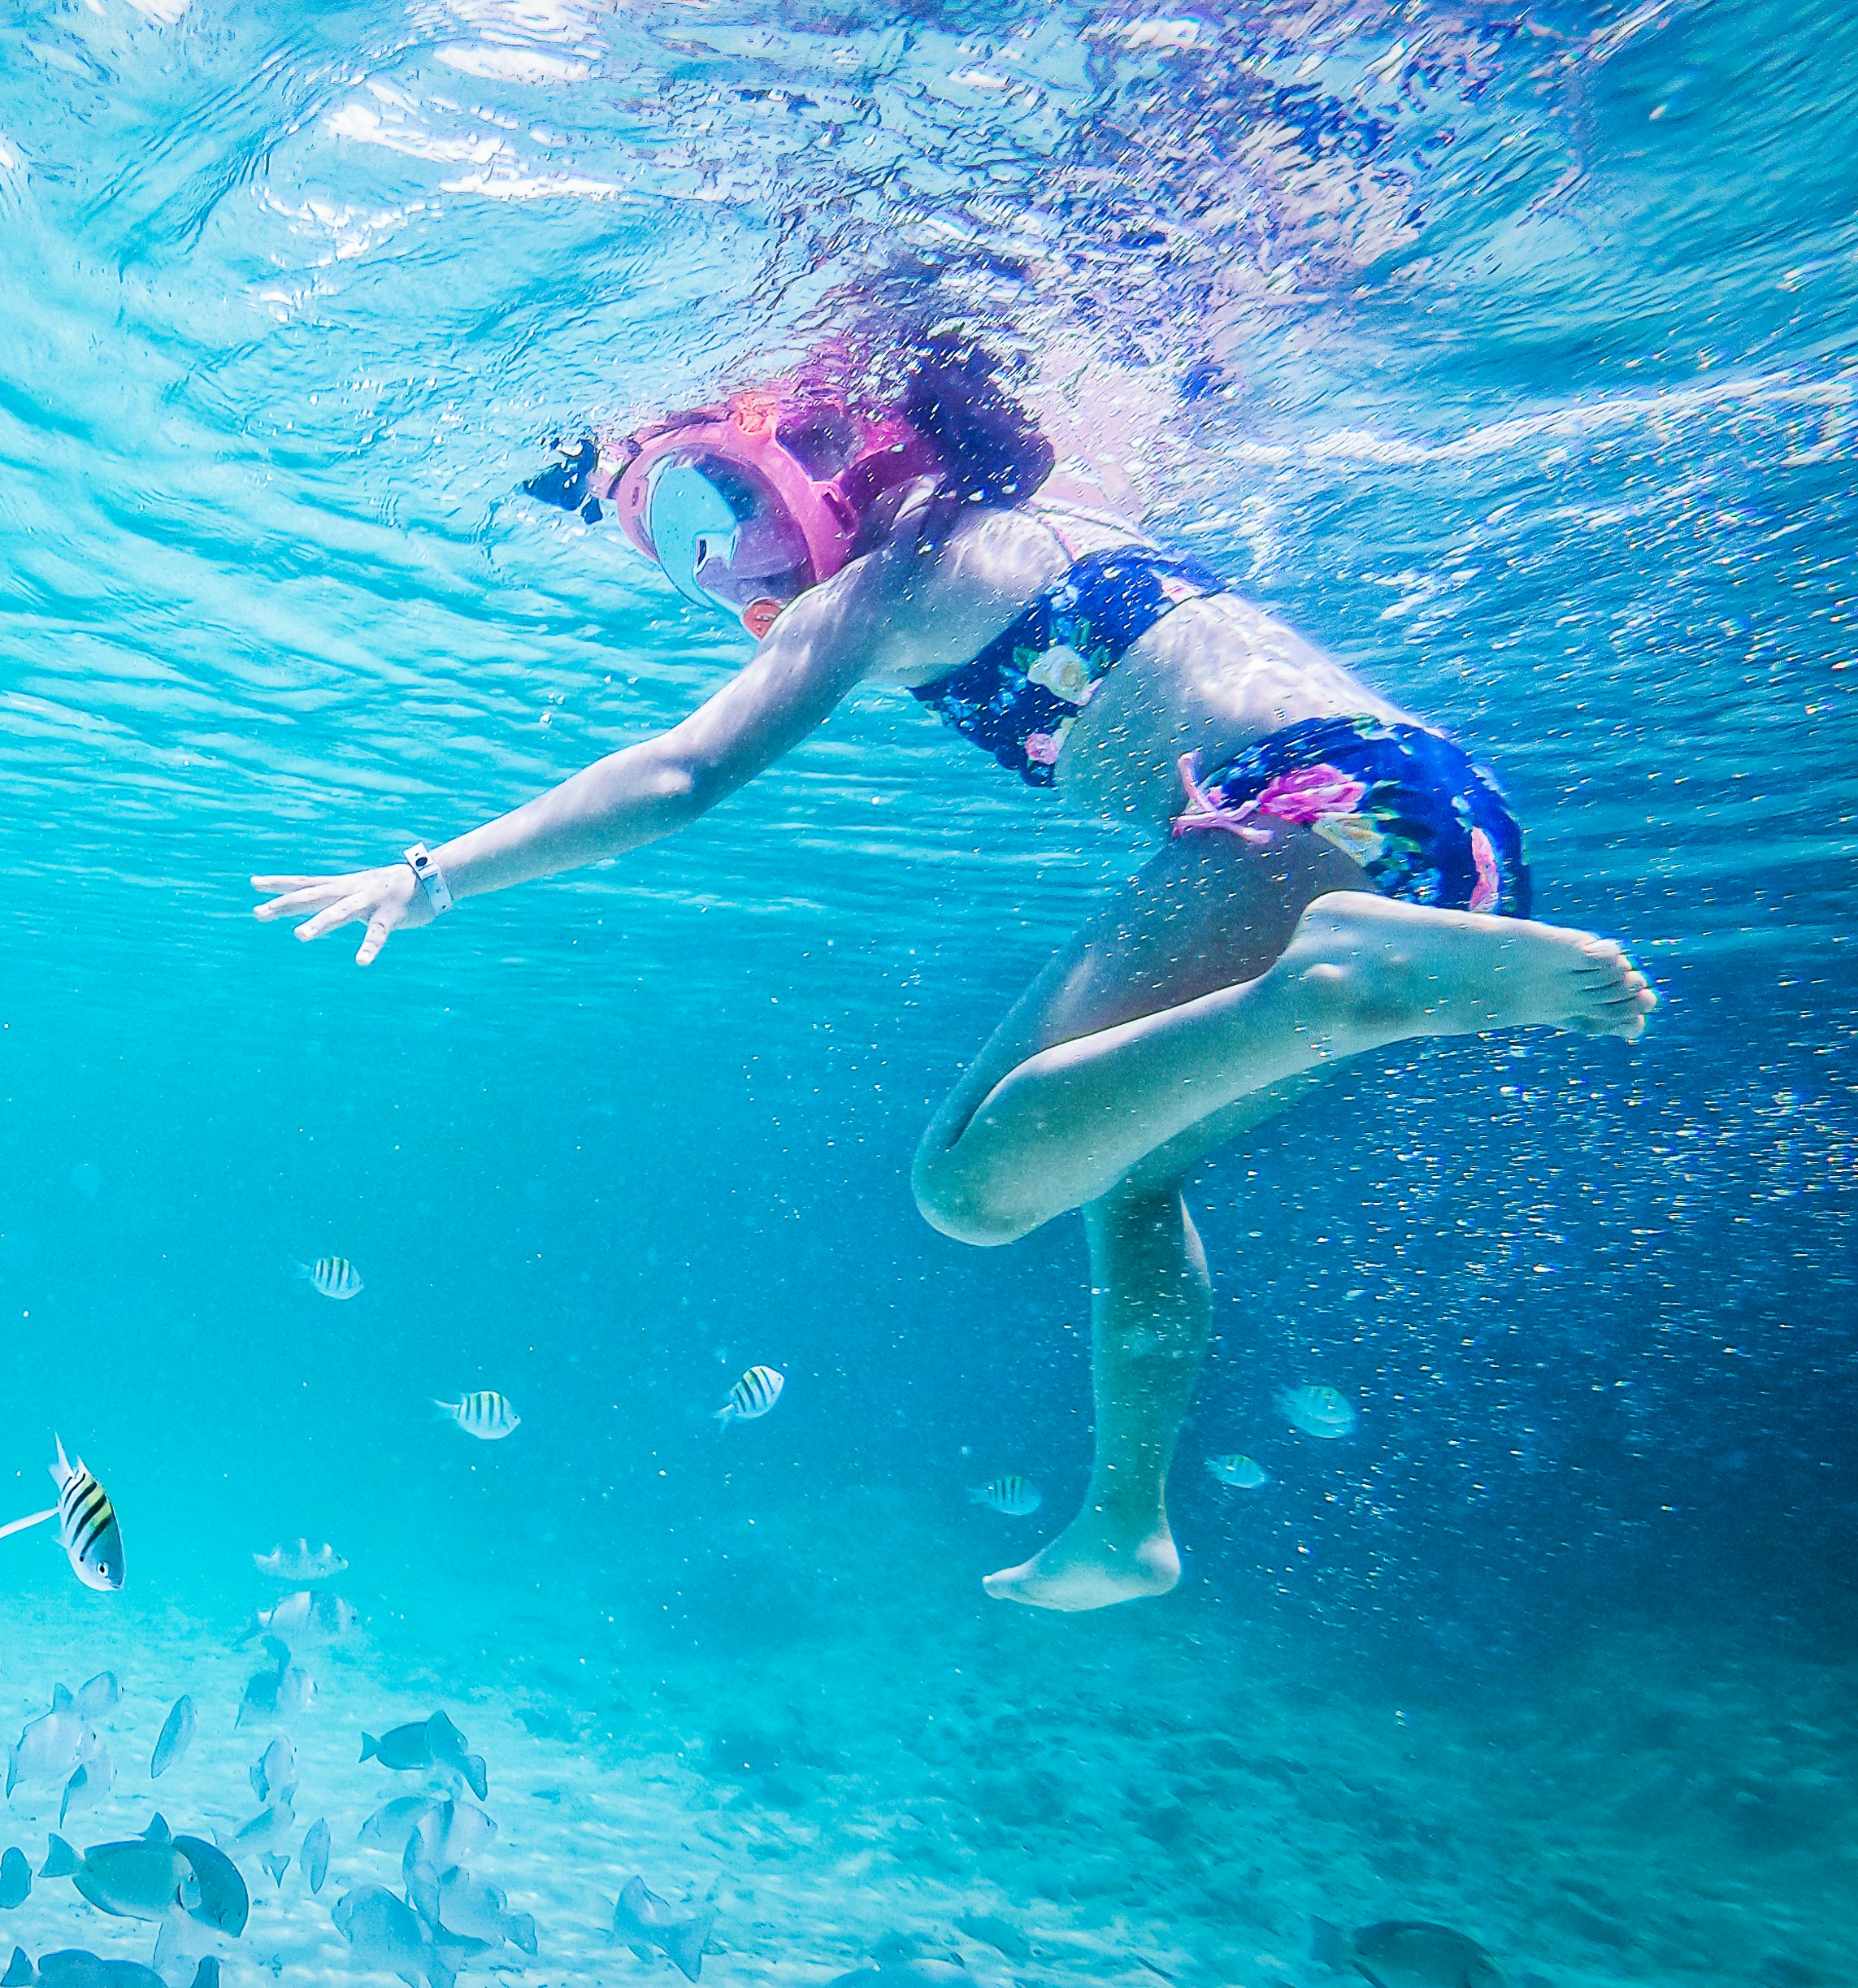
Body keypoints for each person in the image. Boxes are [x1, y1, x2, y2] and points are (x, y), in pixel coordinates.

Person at [248, 340, 1656, 1611]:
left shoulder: (881, 586)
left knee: (968, 1187)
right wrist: (604, 477)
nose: (716, 572)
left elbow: (681, 775)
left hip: (1307, 820)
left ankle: (1323, 989)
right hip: (1444, 826)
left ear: (811, 466)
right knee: (1127, 1157)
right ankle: (1126, 1520)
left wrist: (434, 876)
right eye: (677, 552)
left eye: (709, 513)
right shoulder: (1046, 511)